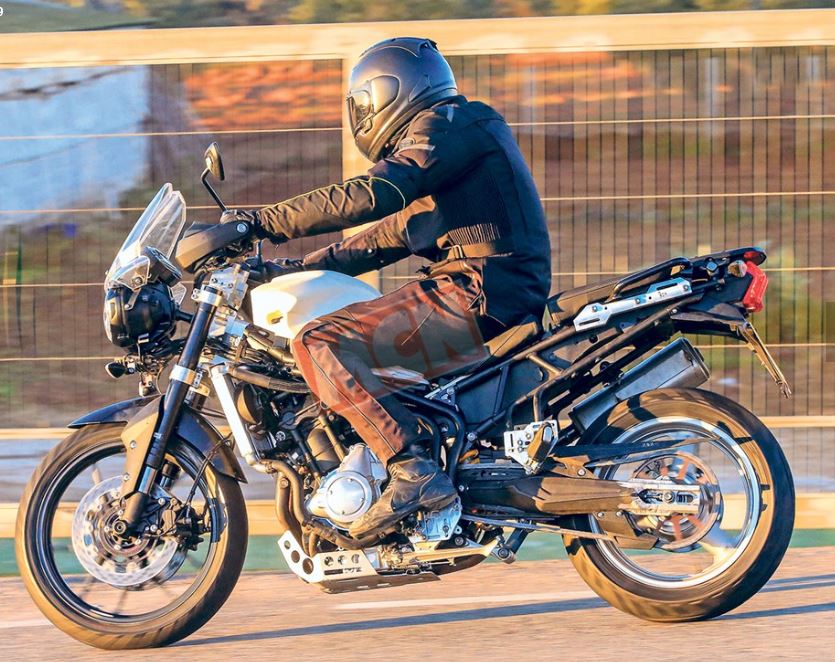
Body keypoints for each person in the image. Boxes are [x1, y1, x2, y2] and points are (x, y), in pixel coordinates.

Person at [229, 37, 551, 539]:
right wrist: (292, 268)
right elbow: (390, 235)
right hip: (487, 288)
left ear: (388, 91)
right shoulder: (454, 145)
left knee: (318, 341)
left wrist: (258, 223)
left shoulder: (449, 125)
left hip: (477, 290)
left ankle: (411, 471)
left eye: (362, 104)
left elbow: (375, 194)